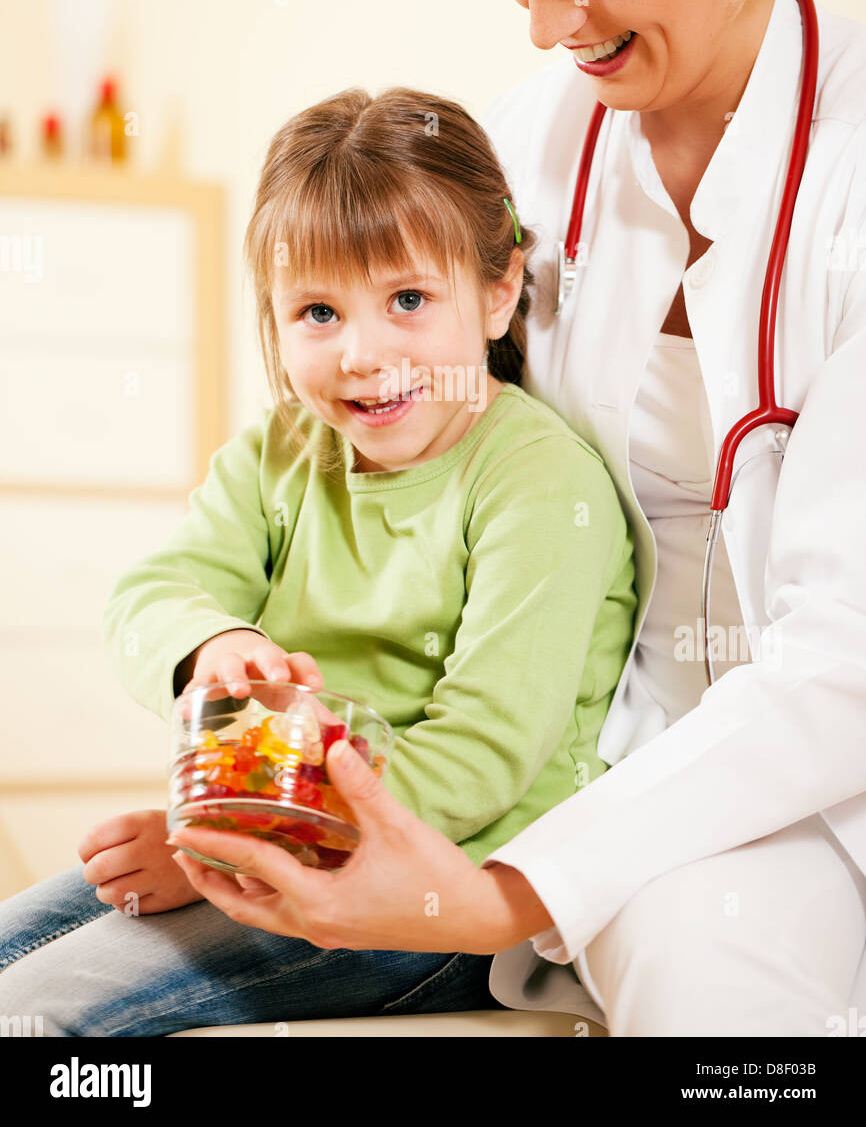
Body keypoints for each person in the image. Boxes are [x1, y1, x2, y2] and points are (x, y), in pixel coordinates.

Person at [138, 0, 866, 1039]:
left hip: (821, 777)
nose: (543, 24)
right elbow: (407, 447)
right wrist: (266, 788)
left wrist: (487, 895)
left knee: (718, 982)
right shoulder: (540, 138)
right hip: (580, 754)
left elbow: (841, 666)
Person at [0, 85, 637, 1035]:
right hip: (278, 836)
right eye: (317, 312)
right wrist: (211, 640)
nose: (364, 354)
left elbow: (478, 761)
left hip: (436, 896)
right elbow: (153, 593)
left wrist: (228, 842)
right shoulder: (285, 449)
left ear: (499, 292)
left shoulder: (539, 485)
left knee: (36, 1010)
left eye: (409, 300)